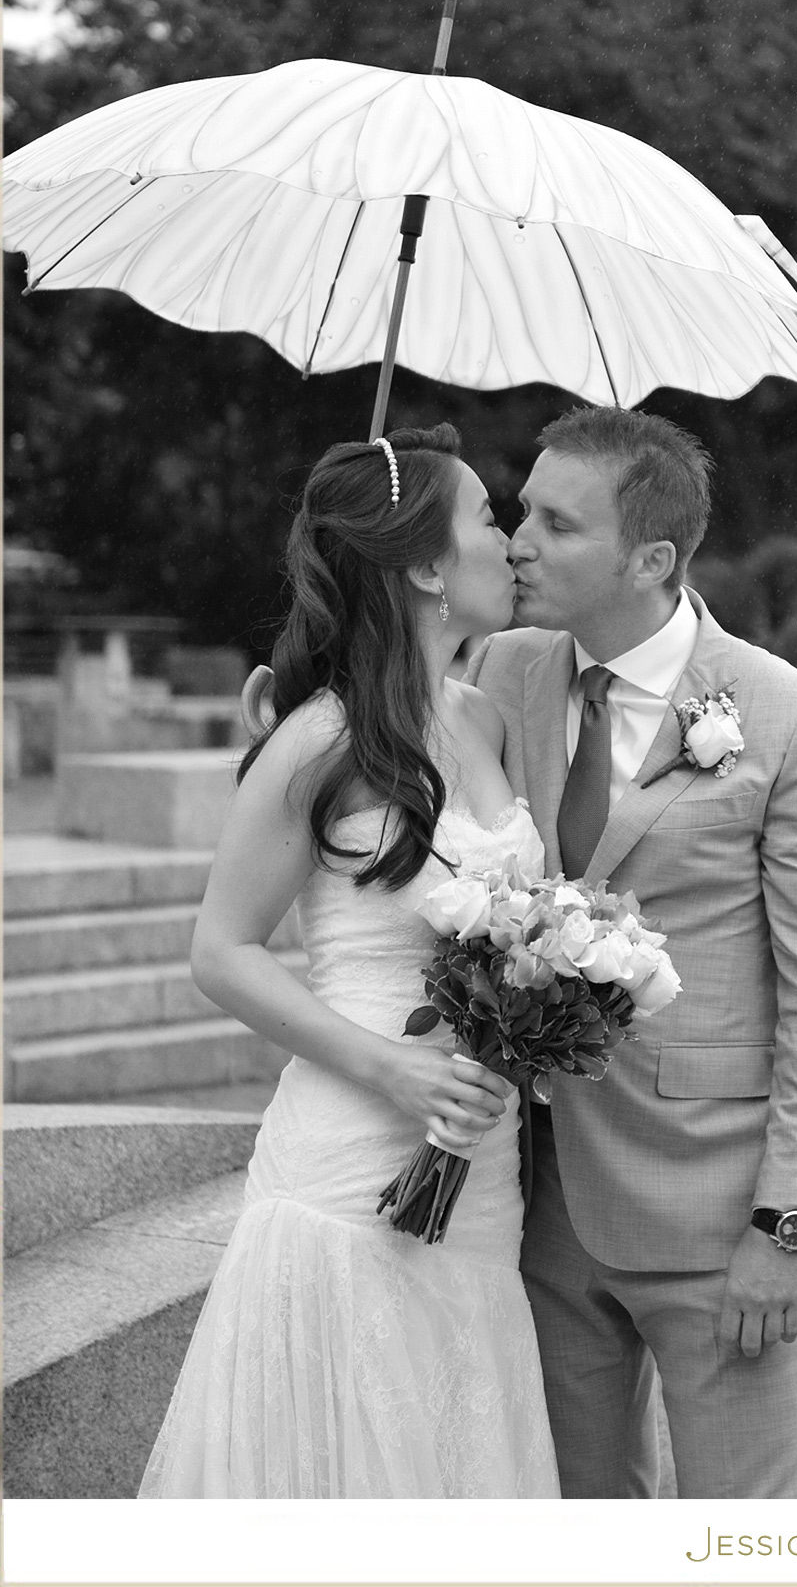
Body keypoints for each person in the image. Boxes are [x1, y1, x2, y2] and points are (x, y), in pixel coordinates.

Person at [465, 406, 797, 1500]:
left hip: (715, 1214)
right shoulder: (505, 669)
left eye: (556, 524)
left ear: (651, 557)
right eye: (520, 512)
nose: (518, 540)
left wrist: (785, 1227)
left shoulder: (796, 717)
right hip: (536, 1203)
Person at [140, 426, 559, 1499]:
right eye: (485, 517)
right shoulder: (319, 739)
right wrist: (393, 1068)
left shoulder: (483, 718)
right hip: (351, 1147)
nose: (508, 540)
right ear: (423, 564)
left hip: (482, 1157)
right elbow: (221, 950)